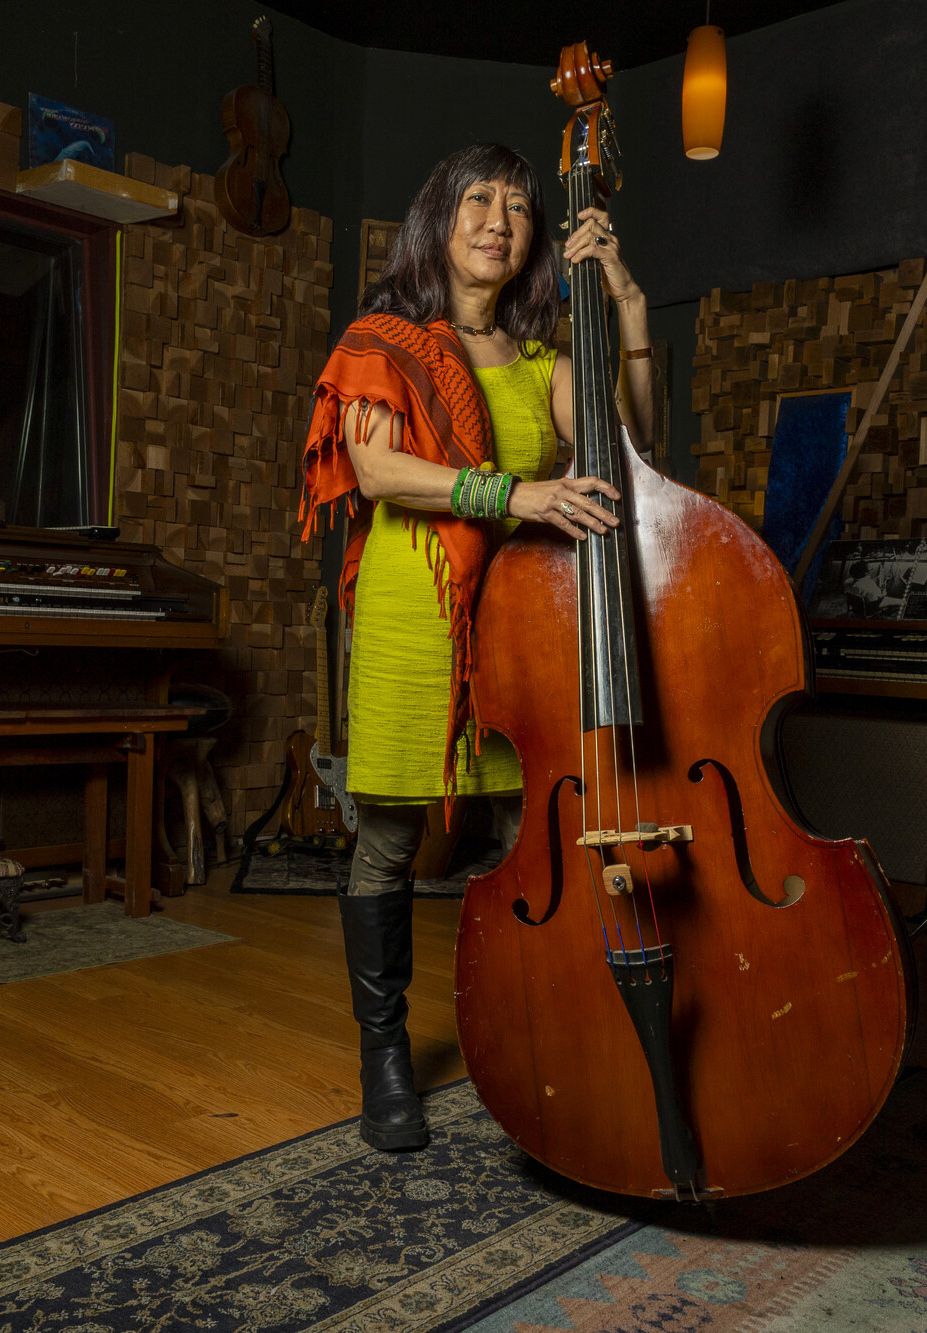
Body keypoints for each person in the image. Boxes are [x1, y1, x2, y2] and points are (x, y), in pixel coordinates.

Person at [299, 143, 655, 1151]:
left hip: (518, 623)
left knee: (529, 830)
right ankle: (384, 1056)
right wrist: (517, 494)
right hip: (414, 612)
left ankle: (533, 1022)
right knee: (389, 837)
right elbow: (377, 473)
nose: (499, 220)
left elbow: (632, 451)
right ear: (438, 218)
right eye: (478, 200)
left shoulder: (542, 365)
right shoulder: (382, 341)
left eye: (519, 208)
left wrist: (626, 303)